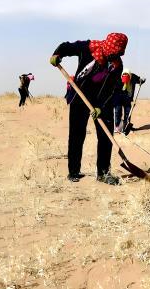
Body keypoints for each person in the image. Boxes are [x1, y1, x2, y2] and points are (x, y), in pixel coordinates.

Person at [49, 32, 128, 185]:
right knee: (76, 135)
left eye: (119, 53)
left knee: (105, 137)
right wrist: (57, 54)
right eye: (114, 52)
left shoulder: (117, 65)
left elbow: (111, 89)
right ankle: (73, 171)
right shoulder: (88, 47)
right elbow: (67, 47)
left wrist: (100, 107)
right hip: (80, 98)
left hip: (102, 103)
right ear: (108, 46)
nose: (115, 56)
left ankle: (103, 173)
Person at [113, 68, 145, 132]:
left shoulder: (133, 77)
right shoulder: (117, 78)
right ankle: (117, 126)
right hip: (118, 97)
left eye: (127, 80)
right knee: (118, 112)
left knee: (128, 112)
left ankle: (126, 126)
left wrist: (141, 81)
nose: (125, 82)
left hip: (127, 97)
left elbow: (139, 80)